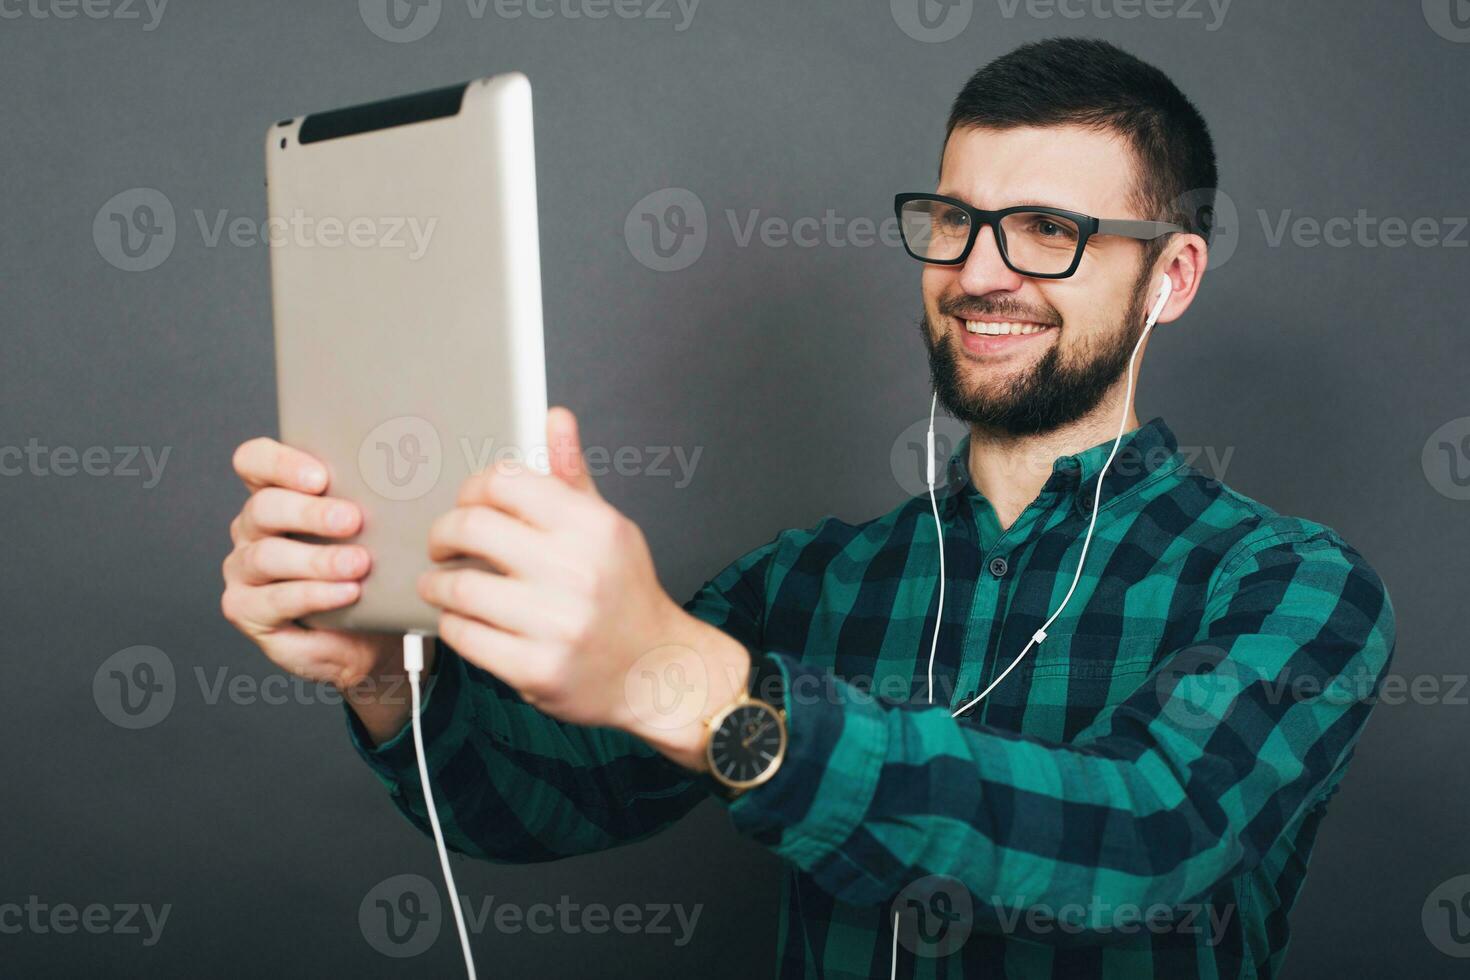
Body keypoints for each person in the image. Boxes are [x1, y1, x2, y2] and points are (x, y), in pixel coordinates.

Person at [221, 38, 1396, 979]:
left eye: (1050, 231)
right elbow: (540, 802)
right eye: (955, 218)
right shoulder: (807, 581)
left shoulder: (1294, 586)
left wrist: (694, 684)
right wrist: (380, 666)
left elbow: (1146, 841)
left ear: (1171, 276)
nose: (980, 270)